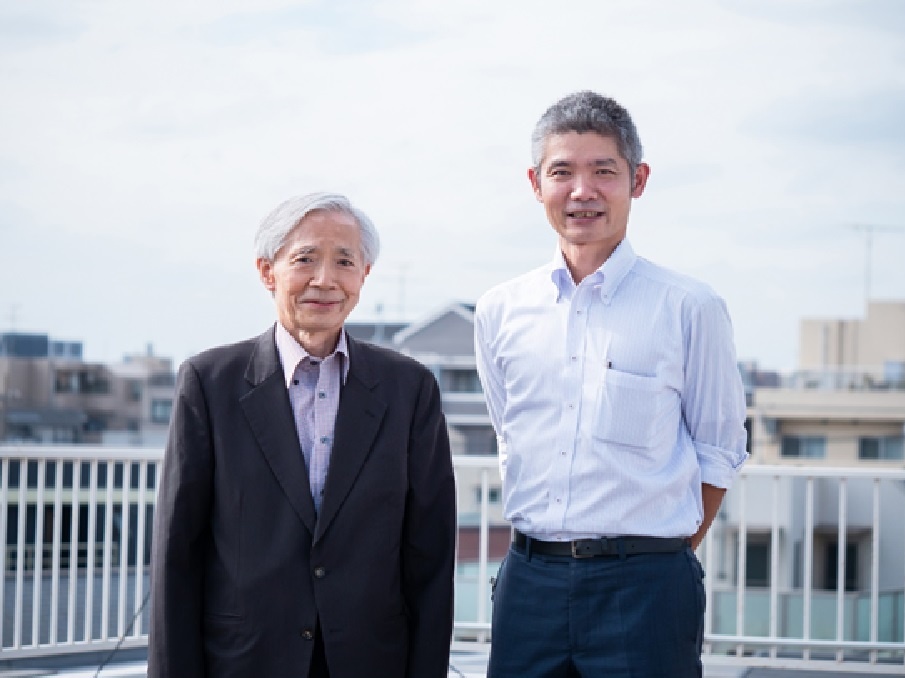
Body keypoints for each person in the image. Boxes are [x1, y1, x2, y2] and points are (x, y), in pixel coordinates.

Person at [474, 91, 748, 677]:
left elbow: (719, 452)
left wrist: (650, 553)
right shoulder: (499, 310)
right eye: (562, 172)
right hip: (528, 583)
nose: (582, 191)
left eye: (604, 171)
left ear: (638, 180)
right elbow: (509, 430)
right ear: (535, 182)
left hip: (645, 587)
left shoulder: (689, 306)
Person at [149, 192, 457, 678]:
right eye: (305, 259)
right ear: (267, 271)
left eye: (344, 261)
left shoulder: (409, 388)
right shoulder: (209, 383)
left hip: (371, 659)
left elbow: (430, 556)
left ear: (364, 275)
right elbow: (177, 554)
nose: (325, 279)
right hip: (244, 659)